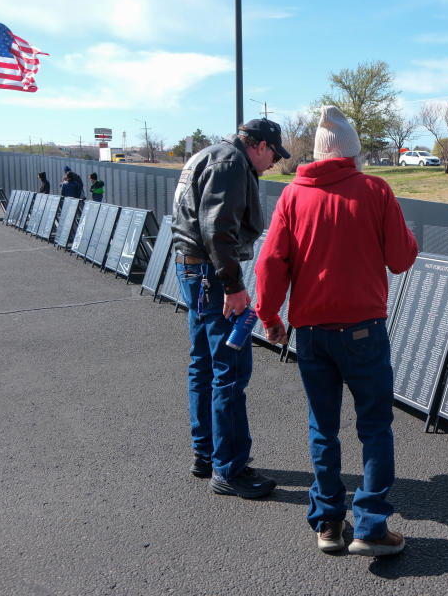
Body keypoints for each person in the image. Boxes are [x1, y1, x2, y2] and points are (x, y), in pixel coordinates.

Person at [255, 106, 418, 556]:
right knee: (375, 427)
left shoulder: (292, 196)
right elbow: (402, 259)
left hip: (310, 332)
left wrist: (270, 317)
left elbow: (271, 261)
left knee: (323, 428)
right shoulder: (375, 190)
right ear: (352, 154)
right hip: (364, 330)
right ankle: (370, 526)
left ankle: (328, 523)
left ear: (317, 153)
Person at [171, 118, 290, 499]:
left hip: (191, 267)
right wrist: (234, 286)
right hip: (212, 271)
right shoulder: (232, 164)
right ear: (258, 145)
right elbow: (217, 228)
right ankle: (231, 468)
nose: (274, 161)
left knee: (203, 364)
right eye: (273, 152)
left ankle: (206, 453)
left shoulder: (207, 156)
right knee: (231, 368)